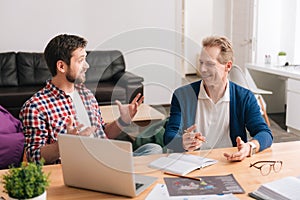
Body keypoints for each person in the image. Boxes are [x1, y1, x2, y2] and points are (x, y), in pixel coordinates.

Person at [19, 34, 162, 164]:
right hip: (78, 168)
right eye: (81, 61)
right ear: (61, 66)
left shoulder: (86, 94)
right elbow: (34, 156)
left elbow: (102, 134)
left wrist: (123, 120)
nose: (87, 66)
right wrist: (66, 143)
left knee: (153, 149)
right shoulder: (35, 107)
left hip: (105, 160)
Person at [164, 35, 273, 161]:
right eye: (201, 63)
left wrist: (249, 147)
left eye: (210, 64)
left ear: (228, 66)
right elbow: (169, 136)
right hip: (192, 163)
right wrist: (182, 142)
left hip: (228, 162)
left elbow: (265, 134)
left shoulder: (244, 98)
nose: (203, 69)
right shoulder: (182, 95)